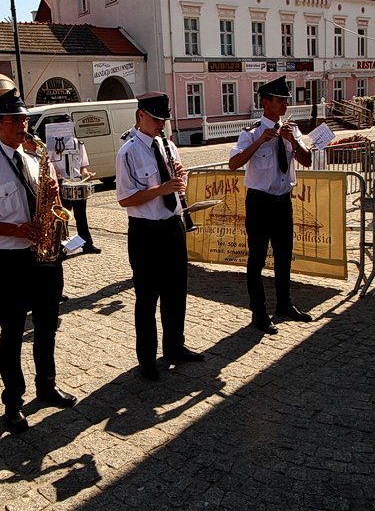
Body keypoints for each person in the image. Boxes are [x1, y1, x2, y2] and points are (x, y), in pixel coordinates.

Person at [0, 91, 77, 433]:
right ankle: (12, 401)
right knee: (12, 332)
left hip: (44, 256)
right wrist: (15, 228)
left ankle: (46, 384)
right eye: (14, 120)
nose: (22, 125)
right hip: (11, 260)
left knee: (47, 325)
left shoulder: (34, 160)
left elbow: (47, 203)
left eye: (24, 119)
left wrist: (54, 196)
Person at [115, 93, 206, 381]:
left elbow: (176, 185)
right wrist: (161, 189)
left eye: (164, 119)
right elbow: (125, 200)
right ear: (141, 115)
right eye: (156, 119)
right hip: (146, 233)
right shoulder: (127, 152)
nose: (161, 124)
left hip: (172, 225)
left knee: (176, 292)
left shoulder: (168, 145)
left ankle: (175, 346)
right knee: (147, 297)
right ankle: (146, 359)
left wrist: (179, 178)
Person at [227, 76, 314, 335]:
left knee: (284, 256)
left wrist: (294, 142)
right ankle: (258, 312)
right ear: (265, 102)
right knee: (256, 259)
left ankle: (284, 305)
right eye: (279, 100)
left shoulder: (291, 129)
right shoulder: (251, 133)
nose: (284, 105)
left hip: (282, 202)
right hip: (259, 203)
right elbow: (233, 164)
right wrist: (259, 142)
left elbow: (307, 160)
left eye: (286, 101)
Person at [51, 129, 102, 254]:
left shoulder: (78, 143)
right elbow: (49, 164)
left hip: (77, 182)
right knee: (62, 218)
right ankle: (60, 247)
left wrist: (86, 173)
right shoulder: (53, 145)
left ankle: (87, 244)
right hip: (62, 183)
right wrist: (54, 173)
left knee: (81, 217)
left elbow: (83, 165)